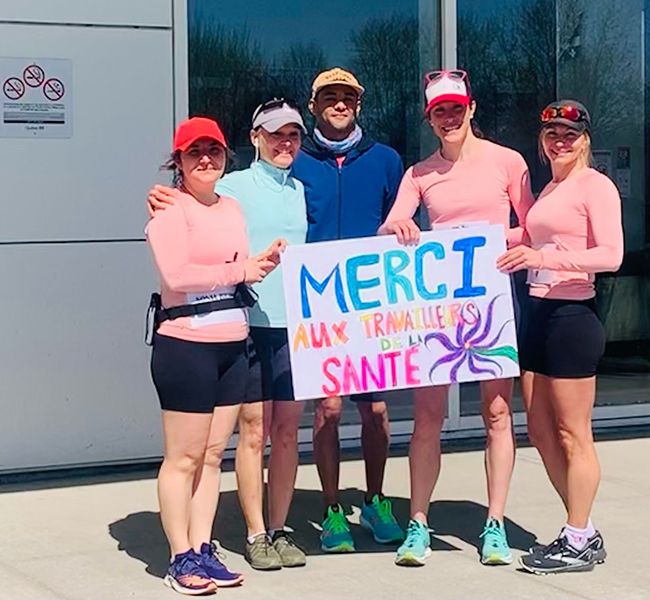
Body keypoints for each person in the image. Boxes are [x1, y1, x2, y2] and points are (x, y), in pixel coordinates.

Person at [378, 69, 534, 567]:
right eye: (438, 111)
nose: (449, 117)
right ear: (430, 119)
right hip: (437, 308)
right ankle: (418, 524)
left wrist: (490, 241)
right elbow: (390, 228)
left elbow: (533, 226)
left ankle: (495, 525)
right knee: (427, 417)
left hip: (492, 301)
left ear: (472, 109)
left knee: (496, 414)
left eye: (455, 108)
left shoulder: (507, 162)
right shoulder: (418, 173)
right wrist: (398, 225)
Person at [147, 101, 308, 571]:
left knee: (214, 454)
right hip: (186, 345)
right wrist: (242, 268)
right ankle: (180, 557)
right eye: (193, 152)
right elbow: (176, 272)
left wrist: (263, 261)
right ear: (177, 161)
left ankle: (202, 549)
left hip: (233, 345)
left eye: (213, 151)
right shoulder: (169, 206)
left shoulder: (232, 205)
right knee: (184, 458)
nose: (205, 160)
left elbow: (242, 266)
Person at [497, 100, 623, 574]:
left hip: (572, 315)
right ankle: (582, 531)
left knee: (574, 434)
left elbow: (610, 255)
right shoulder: (550, 187)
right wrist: (462, 241)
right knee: (540, 430)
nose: (560, 141)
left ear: (585, 139)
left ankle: (575, 537)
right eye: (552, 133)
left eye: (570, 133)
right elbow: (530, 236)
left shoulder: (597, 186)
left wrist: (542, 259)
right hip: (537, 311)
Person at [291, 67, 406, 553]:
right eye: (329, 98)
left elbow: (403, 220)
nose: (339, 105)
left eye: (348, 98)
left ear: (358, 106)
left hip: (372, 305)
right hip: (318, 307)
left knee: (376, 411)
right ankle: (333, 507)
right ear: (314, 105)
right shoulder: (294, 161)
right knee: (328, 410)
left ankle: (377, 499)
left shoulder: (385, 160)